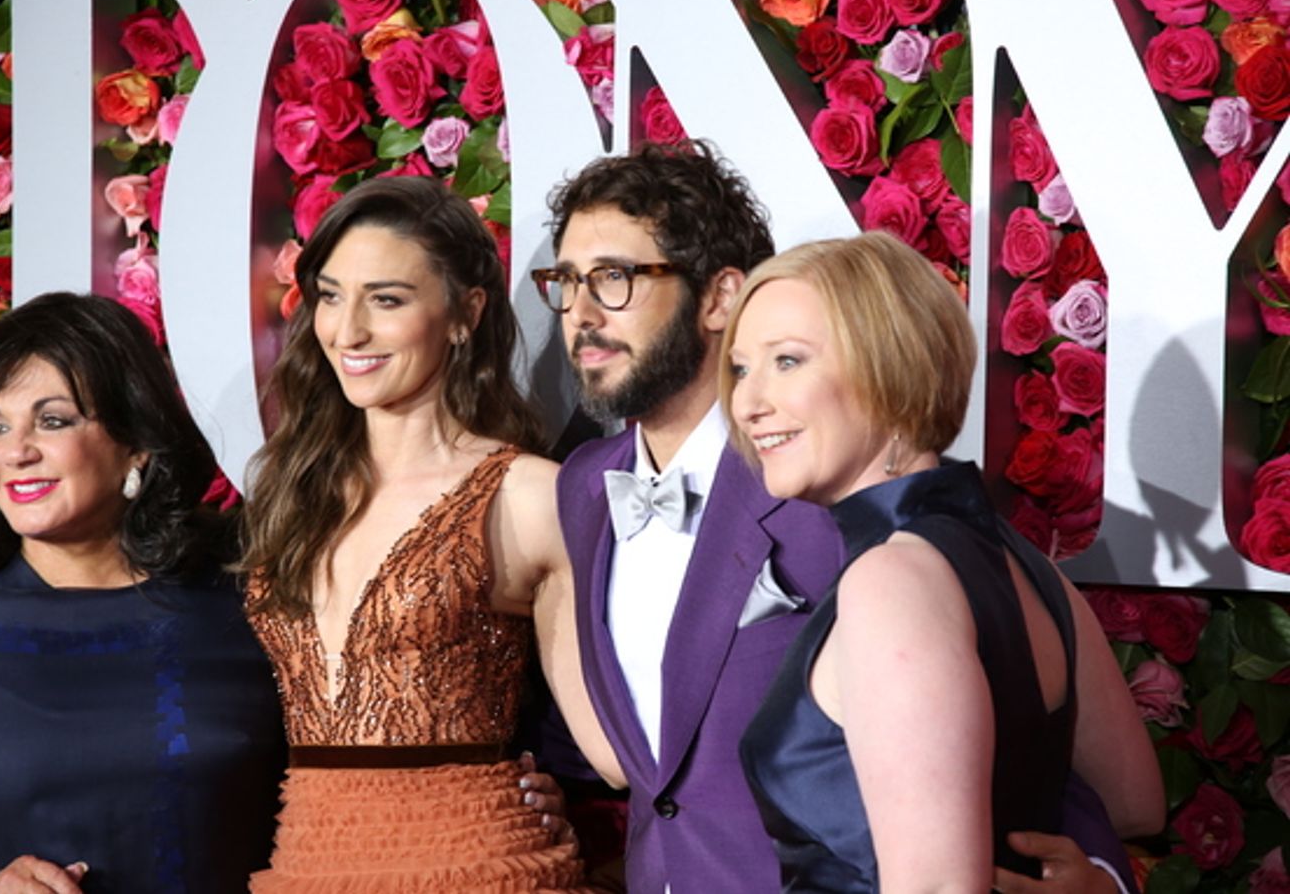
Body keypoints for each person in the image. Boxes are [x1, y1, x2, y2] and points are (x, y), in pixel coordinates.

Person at [537, 140, 1153, 893]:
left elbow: (1055, 795)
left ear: (881, 362)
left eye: (614, 278)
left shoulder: (879, 548)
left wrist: (1090, 878)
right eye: (565, 282)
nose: (751, 398)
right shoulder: (583, 488)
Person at [723, 232, 1164, 891]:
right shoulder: (1034, 572)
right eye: (739, 367)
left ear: (889, 368)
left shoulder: (892, 579)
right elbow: (1136, 806)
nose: (748, 402)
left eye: (787, 361)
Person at [239, 175, 616, 891]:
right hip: (307, 865)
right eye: (329, 294)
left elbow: (615, 750)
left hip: (476, 866)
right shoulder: (291, 493)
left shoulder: (528, 493)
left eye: (386, 299)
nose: (346, 330)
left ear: (464, 313)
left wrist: (576, 806)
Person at [0, 292, 286, 894]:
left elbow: (332, 814)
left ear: (137, 443)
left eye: (53, 420)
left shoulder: (250, 599)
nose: (16, 452)